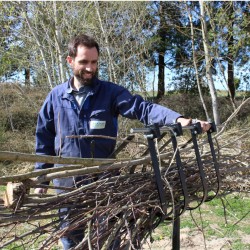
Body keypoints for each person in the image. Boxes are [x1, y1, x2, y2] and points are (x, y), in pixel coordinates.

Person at [34, 34, 211, 249]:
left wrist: (178, 119)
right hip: (67, 183)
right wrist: (42, 178)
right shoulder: (55, 97)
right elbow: (44, 138)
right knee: (71, 241)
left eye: (94, 62)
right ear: (70, 61)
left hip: (105, 183)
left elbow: (142, 108)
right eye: (84, 62)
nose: (90, 68)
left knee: (109, 240)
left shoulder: (110, 93)